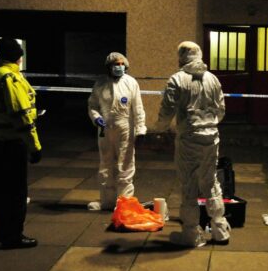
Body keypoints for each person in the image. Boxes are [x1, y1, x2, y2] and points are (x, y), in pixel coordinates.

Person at [153, 41, 231, 247]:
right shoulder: (212, 79)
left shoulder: (177, 79)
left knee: (189, 184)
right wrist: (209, 125)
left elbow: (166, 111)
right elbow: (221, 109)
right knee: (210, 181)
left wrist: (158, 129)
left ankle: (191, 234)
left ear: (181, 56)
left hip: (189, 139)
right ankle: (220, 230)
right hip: (211, 137)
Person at [0, 37, 41, 248]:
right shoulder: (10, 79)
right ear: (18, 57)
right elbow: (20, 116)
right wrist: (35, 147)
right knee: (16, 192)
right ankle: (14, 235)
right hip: (13, 143)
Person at [87, 52, 146, 211]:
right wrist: (96, 117)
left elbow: (138, 108)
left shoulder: (131, 83)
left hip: (125, 128)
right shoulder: (100, 84)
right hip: (105, 129)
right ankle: (107, 201)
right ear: (109, 66)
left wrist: (140, 129)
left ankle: (124, 204)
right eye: (115, 64)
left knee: (125, 165)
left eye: (121, 64)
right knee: (106, 164)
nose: (119, 67)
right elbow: (92, 105)